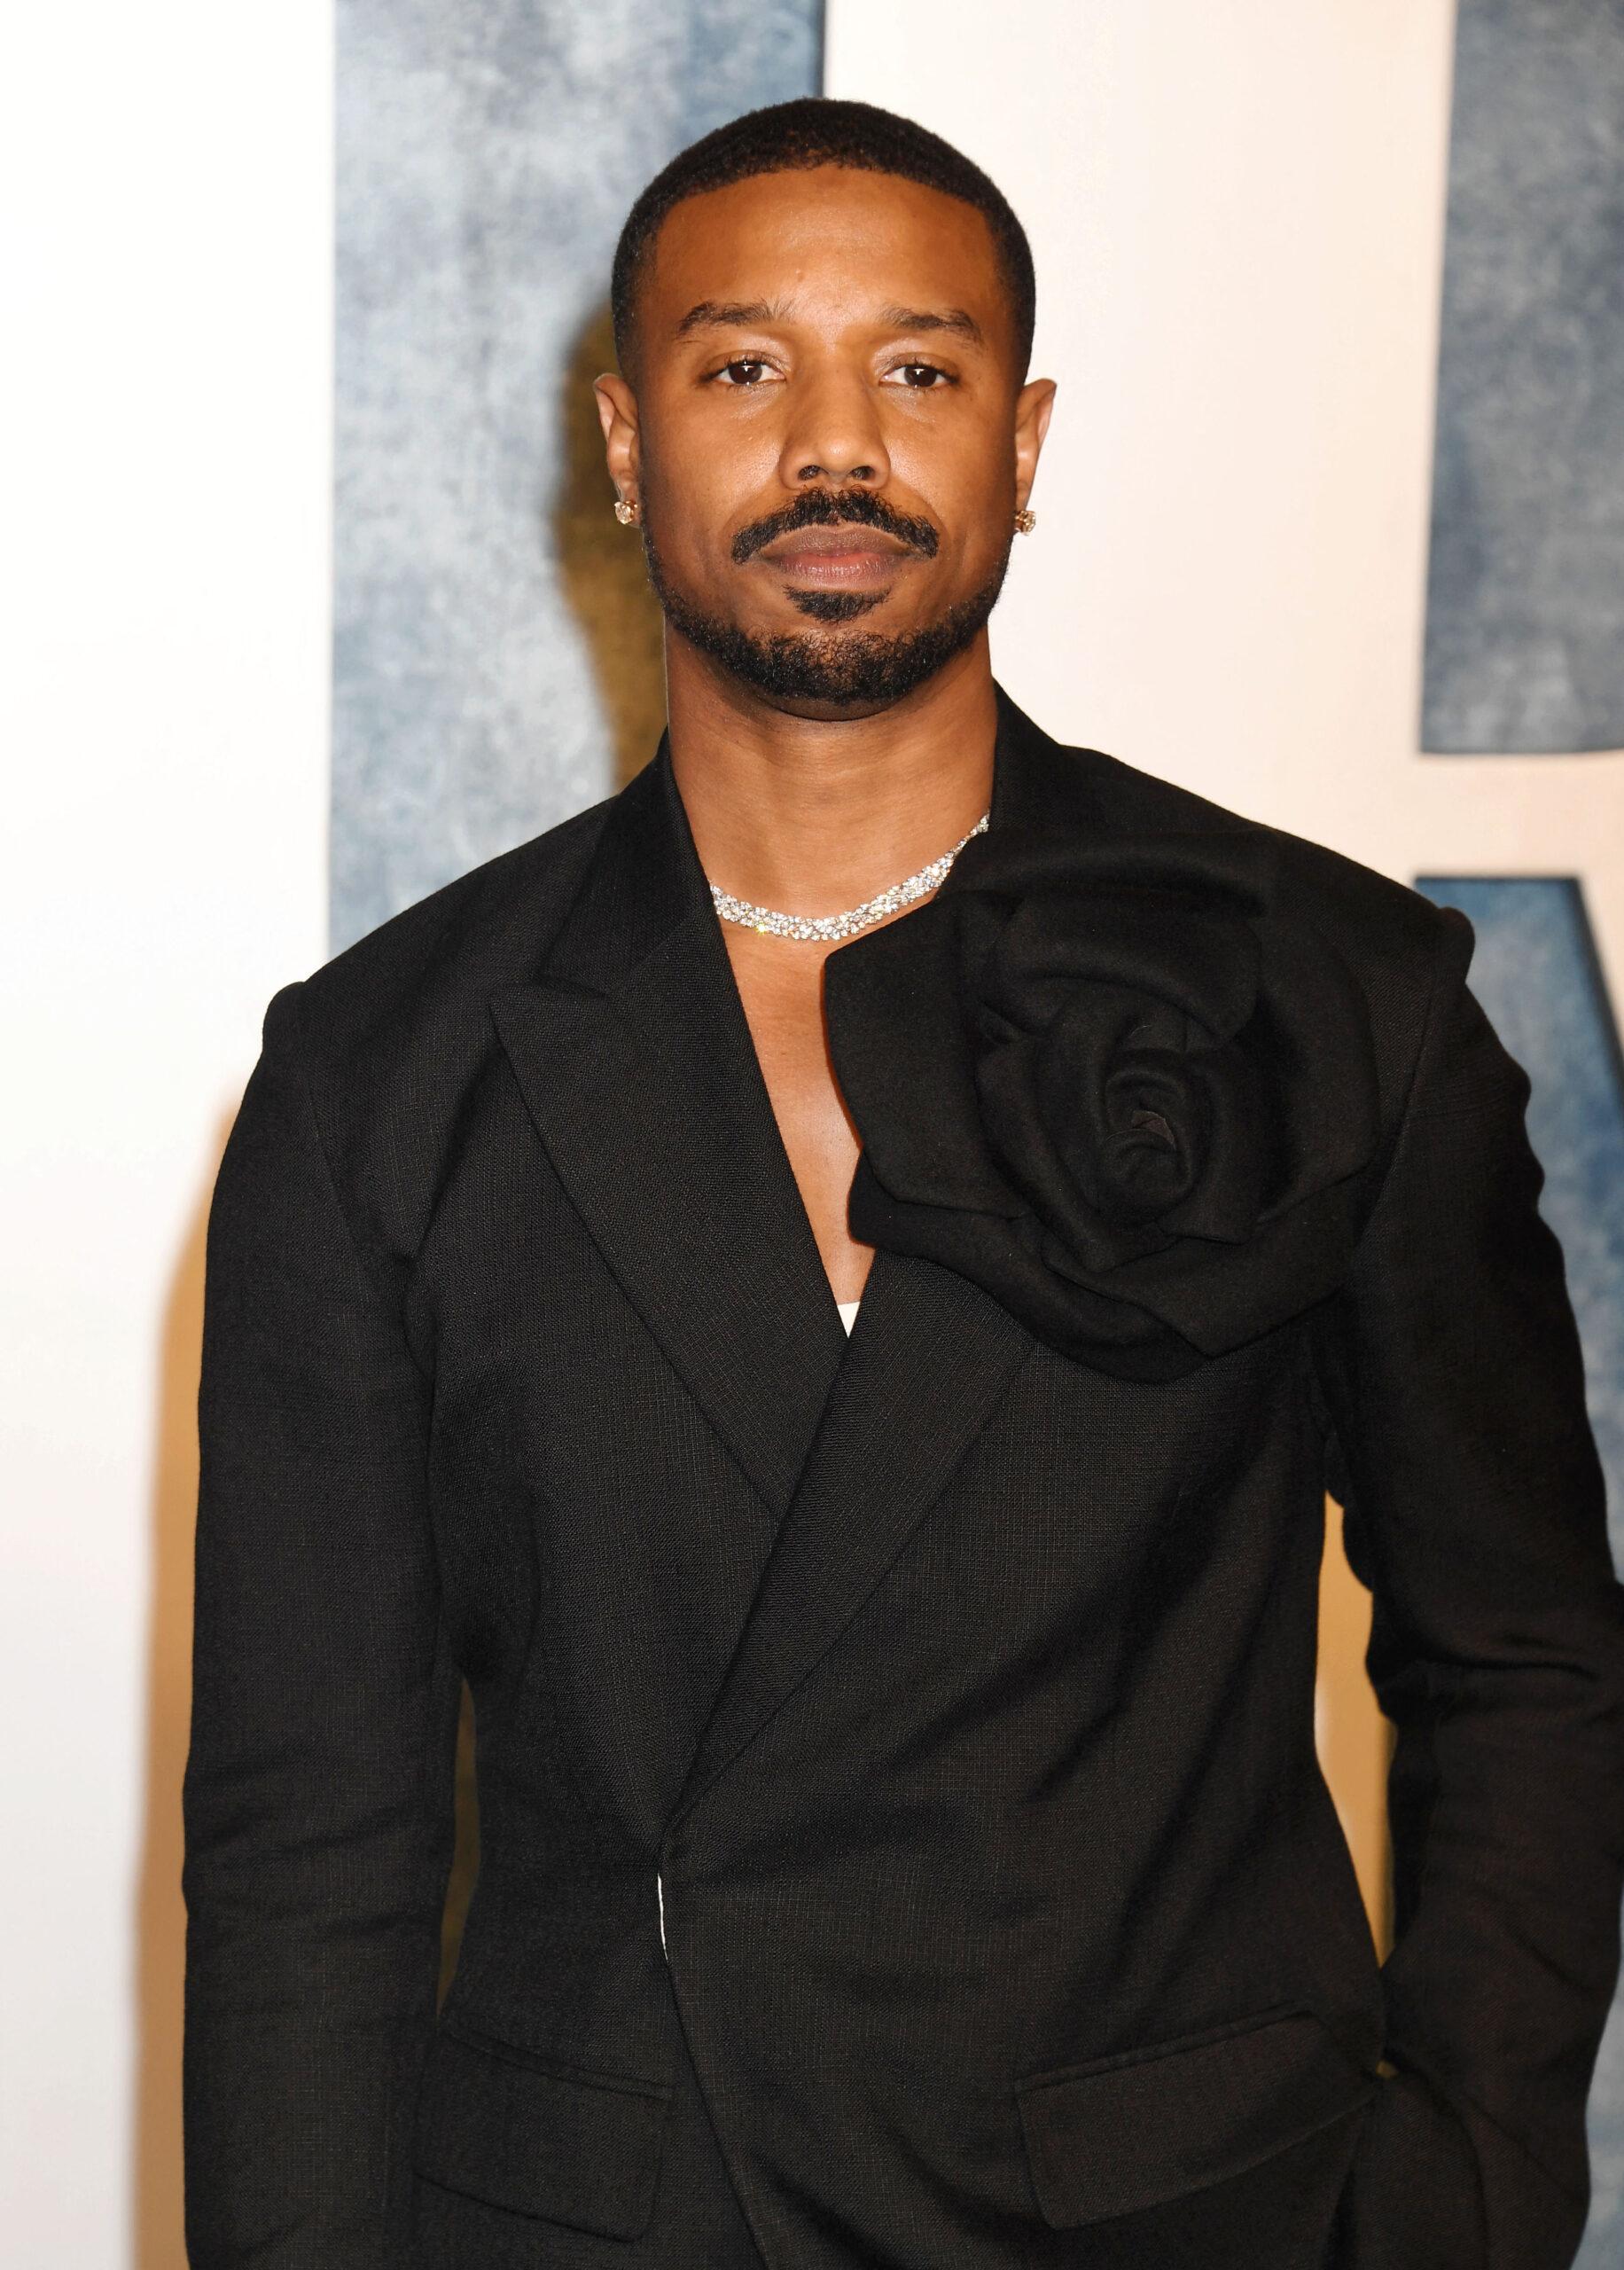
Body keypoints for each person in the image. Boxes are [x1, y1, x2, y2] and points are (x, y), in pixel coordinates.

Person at [181, 96, 1624, 2270]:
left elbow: (1521, 1656)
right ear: (622, 436)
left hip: (1191, 2213)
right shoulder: (383, 1074)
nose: (831, 448)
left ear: (1023, 439)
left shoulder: (1335, 996)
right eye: (742, 367)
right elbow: (311, 1850)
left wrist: (1474, 2187)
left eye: (918, 370)